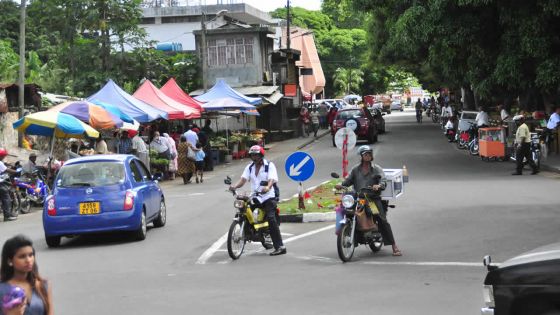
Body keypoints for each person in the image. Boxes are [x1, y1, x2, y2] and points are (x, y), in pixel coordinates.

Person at [335, 145, 402, 256]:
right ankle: (349, 234)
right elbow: (348, 181)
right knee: (346, 211)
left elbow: (384, 180)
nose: (368, 156)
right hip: (359, 198)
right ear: (361, 156)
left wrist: (379, 186)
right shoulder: (356, 169)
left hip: (372, 199)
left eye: (369, 154)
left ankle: (394, 245)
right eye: (366, 154)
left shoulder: (376, 168)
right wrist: (340, 184)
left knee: (381, 219)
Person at [229, 145, 286, 256]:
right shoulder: (249, 167)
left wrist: (268, 187)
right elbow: (243, 180)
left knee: (271, 218)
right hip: (255, 196)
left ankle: (280, 246)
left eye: (256, 155)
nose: (254, 157)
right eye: (252, 155)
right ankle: (249, 233)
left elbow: (271, 179)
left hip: (268, 196)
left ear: (261, 155)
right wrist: (234, 187)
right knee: (243, 210)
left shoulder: (269, 166)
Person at [0, 234, 53, 315]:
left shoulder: (42, 285)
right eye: (22, 256)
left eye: (31, 255)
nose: (28, 260)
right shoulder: (2, 289)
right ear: (9, 261)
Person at [0, 149, 18, 222]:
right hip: (1, 184)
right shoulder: (0, 163)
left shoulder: (1, 163)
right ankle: (7, 216)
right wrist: (16, 171)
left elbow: (5, 165)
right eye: (3, 156)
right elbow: (6, 170)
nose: (4, 157)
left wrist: (9, 165)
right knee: (6, 199)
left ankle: (9, 213)